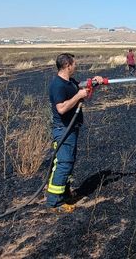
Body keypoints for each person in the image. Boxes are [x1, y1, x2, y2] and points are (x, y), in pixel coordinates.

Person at [46, 53, 103, 213]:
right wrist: (78, 96)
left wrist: (94, 82)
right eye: (74, 64)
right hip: (63, 130)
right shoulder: (58, 85)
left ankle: (64, 194)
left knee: (68, 161)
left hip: (71, 129)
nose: (76, 66)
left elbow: (80, 86)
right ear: (67, 65)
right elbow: (61, 108)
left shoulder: (69, 81)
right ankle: (54, 202)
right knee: (63, 163)